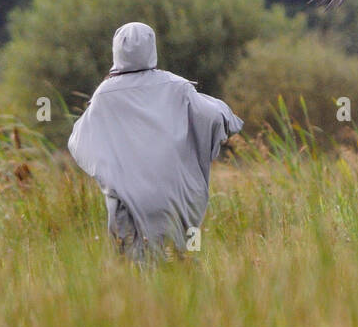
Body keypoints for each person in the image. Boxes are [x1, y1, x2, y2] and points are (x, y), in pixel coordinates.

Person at [68, 22, 243, 259]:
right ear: (152, 48)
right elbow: (215, 118)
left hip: (127, 203)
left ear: (116, 50)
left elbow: (79, 142)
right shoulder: (178, 86)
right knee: (179, 265)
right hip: (178, 199)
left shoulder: (104, 95)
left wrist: (111, 173)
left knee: (132, 270)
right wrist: (225, 114)